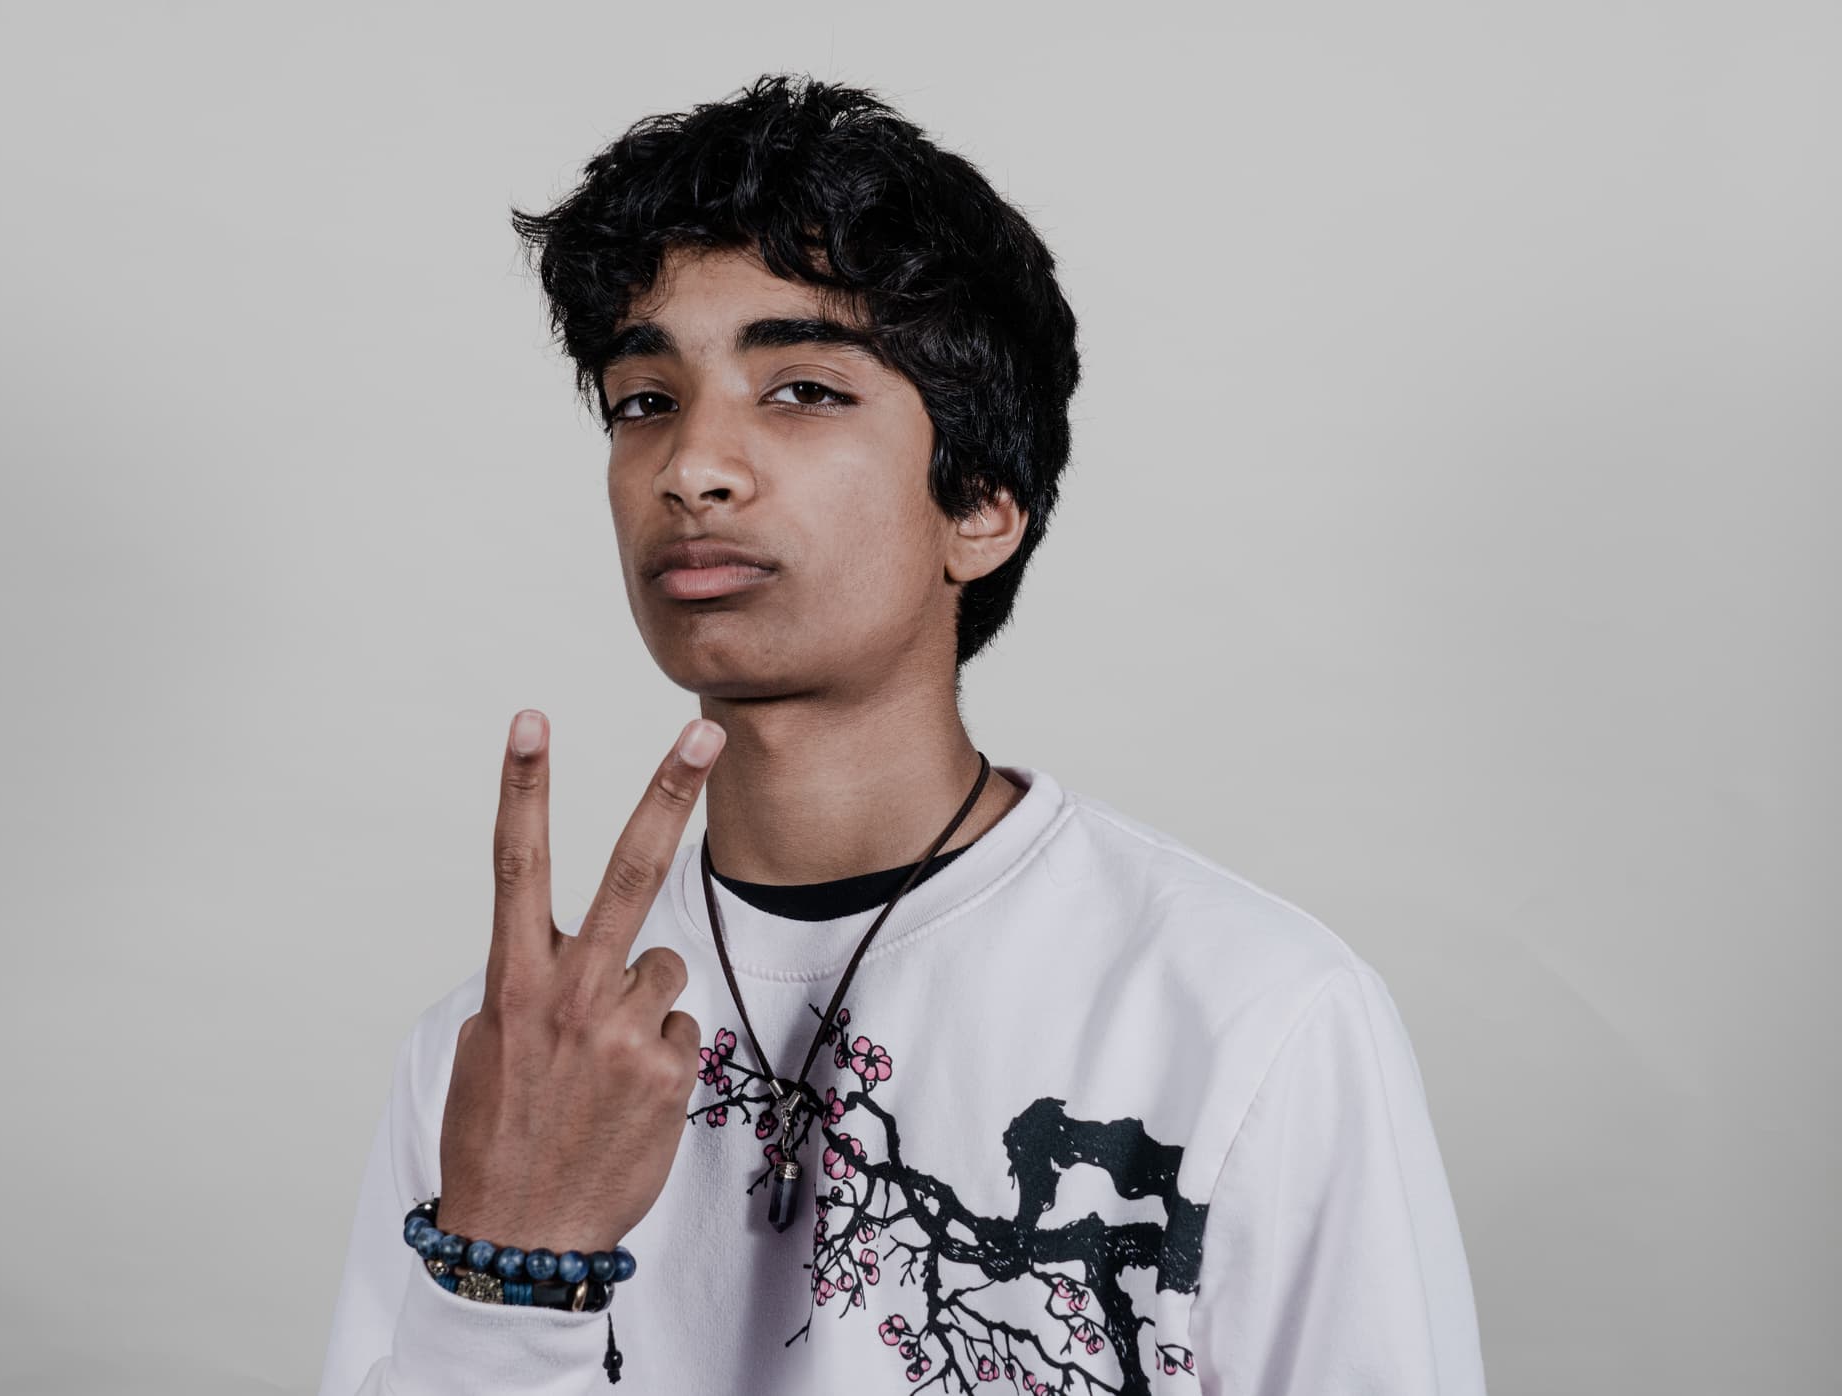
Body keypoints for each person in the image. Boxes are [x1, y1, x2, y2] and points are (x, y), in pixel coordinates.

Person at [316, 73, 1485, 1395]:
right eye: (646, 398)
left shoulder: (1251, 1016)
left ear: (982, 503)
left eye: (802, 388)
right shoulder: (502, 1046)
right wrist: (506, 1281)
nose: (694, 466)